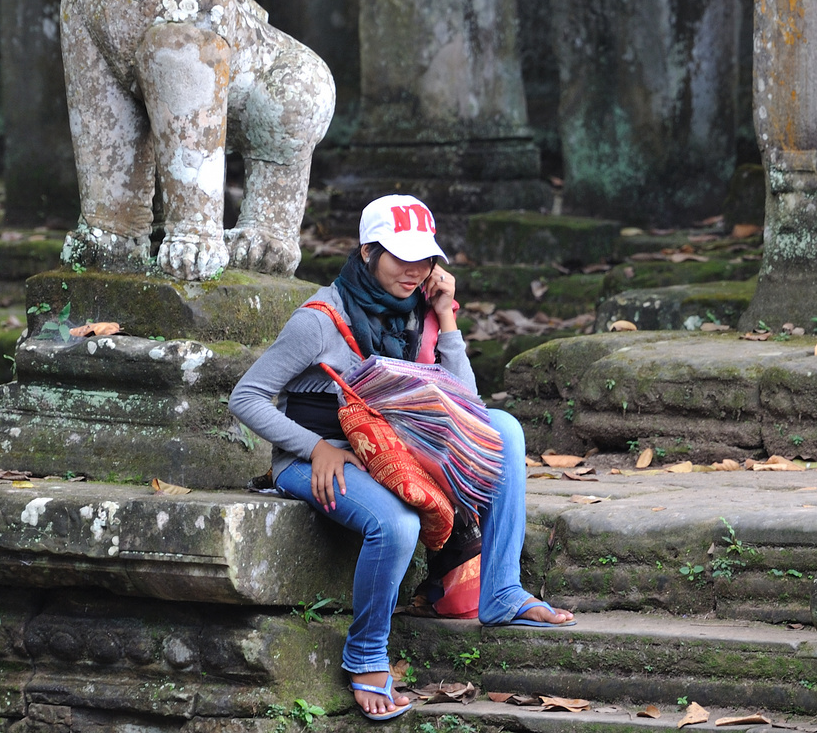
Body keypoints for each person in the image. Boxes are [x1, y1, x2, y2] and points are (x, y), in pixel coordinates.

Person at [230, 194, 574, 721]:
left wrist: (446, 319)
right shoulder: (320, 320)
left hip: (399, 453)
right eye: (401, 257)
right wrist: (315, 447)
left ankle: (502, 590)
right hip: (320, 459)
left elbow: (469, 411)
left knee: (504, 430)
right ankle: (366, 653)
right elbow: (246, 397)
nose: (416, 271)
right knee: (395, 523)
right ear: (368, 251)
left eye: (425, 258)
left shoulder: (421, 315)